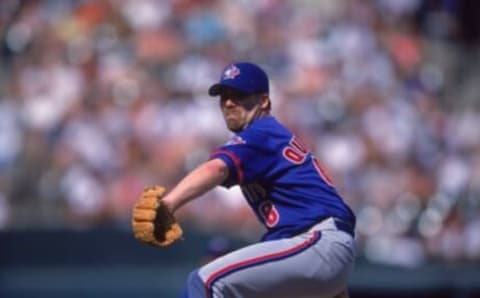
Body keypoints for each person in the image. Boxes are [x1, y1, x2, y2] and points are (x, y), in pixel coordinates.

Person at [162, 62, 356, 298]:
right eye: (223, 96)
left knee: (205, 282)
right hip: (316, 250)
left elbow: (217, 169)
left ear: (263, 101)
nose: (228, 103)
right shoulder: (271, 136)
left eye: (239, 95)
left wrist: (168, 204)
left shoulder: (261, 132)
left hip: (318, 243)